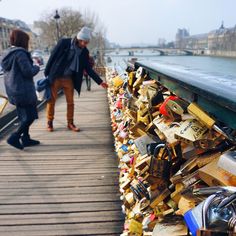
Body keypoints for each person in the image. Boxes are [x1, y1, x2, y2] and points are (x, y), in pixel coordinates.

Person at [44, 26, 108, 132]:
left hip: (69, 78)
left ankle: (70, 123)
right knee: (52, 100)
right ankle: (49, 122)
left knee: (71, 102)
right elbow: (53, 57)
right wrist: (47, 72)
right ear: (79, 39)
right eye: (83, 42)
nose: (85, 44)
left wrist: (100, 82)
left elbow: (88, 68)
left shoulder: (84, 52)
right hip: (56, 76)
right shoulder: (64, 43)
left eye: (87, 42)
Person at [0, 29, 40, 150]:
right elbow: (28, 72)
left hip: (14, 90)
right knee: (30, 116)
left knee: (24, 116)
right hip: (24, 91)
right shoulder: (20, 53)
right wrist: (36, 67)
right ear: (23, 41)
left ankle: (26, 138)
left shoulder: (8, 53)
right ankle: (15, 137)